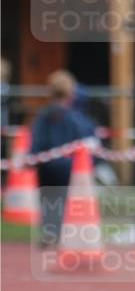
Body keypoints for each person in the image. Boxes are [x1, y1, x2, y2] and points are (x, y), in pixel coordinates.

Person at [30, 70, 97, 244]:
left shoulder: (43, 117)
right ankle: (70, 233)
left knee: (49, 201)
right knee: (70, 202)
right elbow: (89, 141)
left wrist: (31, 158)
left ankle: (50, 232)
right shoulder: (77, 119)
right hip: (70, 168)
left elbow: (37, 141)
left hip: (47, 166)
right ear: (71, 94)